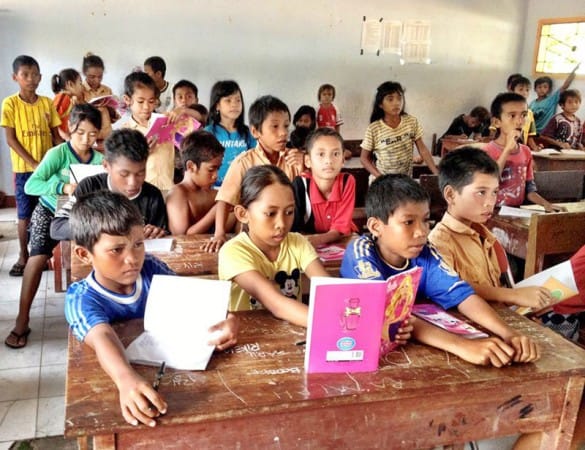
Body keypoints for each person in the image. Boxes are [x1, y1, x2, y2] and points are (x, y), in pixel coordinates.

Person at [65, 190, 239, 427]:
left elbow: (190, 299)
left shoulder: (150, 268)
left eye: (138, 244)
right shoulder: (82, 298)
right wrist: (125, 380)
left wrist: (227, 320)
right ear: (84, 254)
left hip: (176, 376)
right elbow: (102, 335)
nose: (132, 259)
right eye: (117, 250)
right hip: (118, 383)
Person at [340, 174, 540, 367]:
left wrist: (508, 333)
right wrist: (463, 346)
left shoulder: (424, 253)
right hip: (369, 359)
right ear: (376, 227)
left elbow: (462, 295)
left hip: (415, 352)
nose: (421, 232)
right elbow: (390, 314)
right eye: (408, 222)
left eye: (425, 220)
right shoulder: (361, 254)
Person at [429, 146, 583, 341]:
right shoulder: (439, 241)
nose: (490, 202)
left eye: (494, 192)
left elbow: (496, 287)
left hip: (500, 321)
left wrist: (522, 307)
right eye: (481, 192)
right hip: (473, 333)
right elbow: (451, 288)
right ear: (450, 195)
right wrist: (514, 295)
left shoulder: (484, 234)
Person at [4, 104, 104, 349]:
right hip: (51, 207)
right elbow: (31, 186)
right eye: (80, 133)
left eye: (92, 134)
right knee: (37, 257)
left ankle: (95, 313)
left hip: (81, 211)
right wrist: (62, 187)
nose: (86, 139)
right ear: (69, 129)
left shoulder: (101, 158)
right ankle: (22, 319)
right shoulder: (57, 153)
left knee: (99, 251)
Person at [218, 165, 330, 326]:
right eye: (270, 214)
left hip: (291, 335)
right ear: (243, 214)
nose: (281, 224)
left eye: (289, 212)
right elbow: (276, 304)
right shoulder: (233, 252)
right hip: (250, 341)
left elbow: (328, 288)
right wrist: (332, 323)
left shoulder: (297, 242)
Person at [204, 95, 304, 253]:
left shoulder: (293, 159)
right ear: (255, 131)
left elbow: (307, 194)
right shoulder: (244, 162)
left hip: (285, 234)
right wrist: (219, 234)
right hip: (252, 238)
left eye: (286, 126)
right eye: (275, 126)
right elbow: (224, 200)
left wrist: (305, 167)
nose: (283, 133)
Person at [1, 55, 62, 277]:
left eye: (35, 74)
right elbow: (11, 140)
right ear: (15, 77)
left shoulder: (46, 103)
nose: (31, 79)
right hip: (25, 171)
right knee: (24, 215)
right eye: (25, 74)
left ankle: (48, 254)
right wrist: (34, 163)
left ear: (41, 77)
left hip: (49, 171)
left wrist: (67, 156)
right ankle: (23, 255)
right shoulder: (10, 104)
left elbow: (56, 137)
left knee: (49, 210)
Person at [50, 128, 168, 241]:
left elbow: (160, 235)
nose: (133, 183)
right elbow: (57, 227)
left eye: (140, 173)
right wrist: (101, 228)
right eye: (124, 174)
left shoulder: (152, 195)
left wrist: (156, 232)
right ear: (106, 166)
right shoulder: (89, 187)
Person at [485, 92, 564, 211]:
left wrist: (546, 204)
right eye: (512, 116)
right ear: (497, 122)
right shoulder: (487, 151)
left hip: (516, 211)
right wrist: (507, 150)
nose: (520, 121)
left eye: (524, 115)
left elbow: (530, 190)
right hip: (492, 211)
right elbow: (490, 181)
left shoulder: (526, 151)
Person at [291, 128, 356, 246]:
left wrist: (316, 240)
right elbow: (294, 230)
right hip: (308, 245)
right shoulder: (301, 185)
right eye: (321, 154)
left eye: (335, 154)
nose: (328, 161)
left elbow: (340, 229)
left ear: (343, 160)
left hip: (342, 240)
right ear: (307, 161)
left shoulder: (347, 181)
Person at [360, 81, 438, 179]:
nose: (396, 103)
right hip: (382, 182)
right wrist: (380, 178)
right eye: (390, 99)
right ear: (380, 104)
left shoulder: (411, 122)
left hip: (405, 180)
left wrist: (436, 173)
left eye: (399, 98)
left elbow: (423, 150)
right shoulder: (374, 129)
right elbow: (364, 158)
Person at [114, 71, 175, 191]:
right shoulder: (124, 133)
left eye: (151, 101)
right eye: (140, 102)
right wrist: (143, 153)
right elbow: (122, 167)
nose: (146, 107)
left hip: (168, 188)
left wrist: (179, 113)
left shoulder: (166, 123)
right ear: (127, 99)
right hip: (141, 193)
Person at [166, 130, 233, 235]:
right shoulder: (178, 194)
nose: (216, 175)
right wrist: (216, 210)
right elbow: (181, 237)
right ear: (191, 166)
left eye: (218, 169)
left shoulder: (213, 194)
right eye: (211, 170)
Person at [204, 80, 256, 186]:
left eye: (238, 100)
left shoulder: (249, 133)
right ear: (217, 105)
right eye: (228, 100)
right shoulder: (208, 133)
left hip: (243, 190)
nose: (234, 105)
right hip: (214, 190)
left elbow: (255, 160)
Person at [529, 62, 580, 133]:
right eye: (539, 87)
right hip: (532, 133)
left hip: (545, 133)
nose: (542, 89)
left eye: (545, 87)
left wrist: (573, 72)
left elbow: (565, 86)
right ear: (535, 89)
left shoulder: (552, 99)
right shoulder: (532, 104)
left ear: (549, 89)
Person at [81, 53, 117, 151]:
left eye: (100, 76)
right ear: (84, 73)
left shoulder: (107, 90)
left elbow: (114, 118)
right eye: (92, 77)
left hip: (106, 137)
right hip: (88, 139)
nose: (96, 80)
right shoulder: (80, 90)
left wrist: (109, 109)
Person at [51, 68, 85, 141]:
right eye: (80, 83)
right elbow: (52, 122)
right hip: (59, 140)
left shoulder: (70, 99)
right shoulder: (63, 97)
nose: (82, 87)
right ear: (70, 84)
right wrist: (66, 137)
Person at [509, 76, 540, 151]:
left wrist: (535, 148)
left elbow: (530, 135)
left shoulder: (529, 113)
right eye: (520, 89)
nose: (524, 92)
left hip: (520, 150)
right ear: (512, 91)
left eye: (527, 90)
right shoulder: (506, 110)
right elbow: (495, 131)